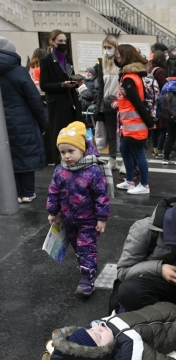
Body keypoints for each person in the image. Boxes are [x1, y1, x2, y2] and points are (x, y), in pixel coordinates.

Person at [46, 121, 112, 296]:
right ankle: (85, 261)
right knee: (76, 244)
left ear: (82, 149)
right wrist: (52, 211)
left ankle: (87, 278)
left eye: (71, 151)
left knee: (86, 246)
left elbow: (101, 196)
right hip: (68, 218)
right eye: (63, 152)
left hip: (88, 220)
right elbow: (53, 191)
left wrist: (102, 218)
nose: (67, 156)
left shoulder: (92, 170)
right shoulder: (60, 170)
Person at [0, 37, 47, 203]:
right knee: (26, 153)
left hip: (2, 122)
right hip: (23, 119)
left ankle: (16, 193)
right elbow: (34, 99)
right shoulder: (18, 70)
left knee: (9, 155)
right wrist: (43, 123)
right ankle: (28, 192)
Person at [115, 44, 155, 195]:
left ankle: (144, 185)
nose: (116, 58)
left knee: (138, 153)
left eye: (118, 55)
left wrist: (149, 122)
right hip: (130, 124)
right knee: (124, 149)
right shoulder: (130, 76)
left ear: (125, 57)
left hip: (135, 124)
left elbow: (138, 102)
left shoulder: (129, 78)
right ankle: (130, 180)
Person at [40, 30, 82, 164]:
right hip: (57, 105)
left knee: (73, 137)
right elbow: (44, 85)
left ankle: (75, 165)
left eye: (65, 41)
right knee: (60, 137)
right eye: (60, 41)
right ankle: (60, 168)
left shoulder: (67, 58)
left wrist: (76, 82)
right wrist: (62, 84)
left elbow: (71, 75)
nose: (63, 44)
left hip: (71, 103)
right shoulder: (46, 60)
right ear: (52, 42)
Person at [93, 36, 120, 171]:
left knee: (122, 135)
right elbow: (100, 86)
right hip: (106, 104)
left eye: (109, 47)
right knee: (110, 135)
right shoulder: (101, 64)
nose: (106, 50)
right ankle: (112, 159)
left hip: (119, 103)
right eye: (104, 47)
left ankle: (126, 162)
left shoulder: (120, 64)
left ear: (115, 48)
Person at [148, 50, 168, 158]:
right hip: (159, 101)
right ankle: (160, 150)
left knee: (154, 127)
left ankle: (154, 149)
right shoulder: (160, 71)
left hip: (151, 101)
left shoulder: (149, 69)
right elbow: (163, 86)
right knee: (162, 127)